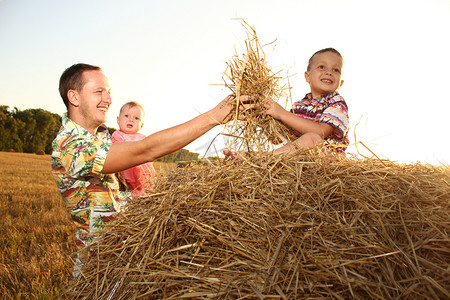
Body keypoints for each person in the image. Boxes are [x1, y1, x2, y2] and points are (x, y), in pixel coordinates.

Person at [51, 63, 238, 271]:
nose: (108, 99)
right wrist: (214, 117)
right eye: (99, 92)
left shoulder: (104, 137)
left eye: (109, 92)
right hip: (98, 268)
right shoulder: (70, 146)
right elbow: (145, 150)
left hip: (125, 258)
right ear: (74, 97)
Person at [225, 47, 349, 159]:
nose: (329, 72)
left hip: (327, 159)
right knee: (278, 148)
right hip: (300, 162)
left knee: (311, 139)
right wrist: (263, 118)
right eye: (322, 67)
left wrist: (281, 113)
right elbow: (277, 139)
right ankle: (248, 158)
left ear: (341, 83)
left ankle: (261, 160)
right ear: (307, 76)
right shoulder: (299, 106)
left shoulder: (337, 103)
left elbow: (321, 132)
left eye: (336, 70)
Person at [111, 101, 156, 197]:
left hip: (144, 177)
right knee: (128, 196)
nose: (131, 120)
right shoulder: (118, 135)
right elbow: (119, 151)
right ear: (118, 120)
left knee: (147, 193)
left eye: (136, 118)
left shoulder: (143, 138)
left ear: (141, 125)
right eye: (126, 116)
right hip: (127, 180)